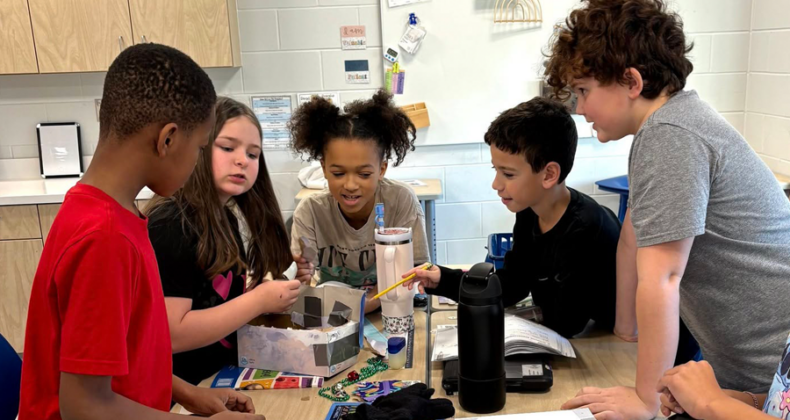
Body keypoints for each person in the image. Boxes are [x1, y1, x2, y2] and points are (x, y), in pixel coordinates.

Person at [546, 1, 790, 419]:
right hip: (755, 378)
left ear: (631, 81)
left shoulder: (670, 134)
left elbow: (663, 276)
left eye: (584, 91)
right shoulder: (672, 126)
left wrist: (644, 400)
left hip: (773, 371)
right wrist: (626, 330)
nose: (580, 108)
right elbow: (633, 237)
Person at [18, 44, 263, 420]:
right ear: (167, 140)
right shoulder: (105, 238)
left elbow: (127, 356)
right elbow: (84, 406)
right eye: (200, 148)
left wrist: (187, 393)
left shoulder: (103, 211)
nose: (198, 160)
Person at [403, 97, 621, 338]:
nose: (496, 184)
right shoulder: (529, 212)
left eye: (507, 174)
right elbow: (511, 285)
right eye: (496, 170)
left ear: (549, 174)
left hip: (610, 341)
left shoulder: (586, 228)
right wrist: (444, 279)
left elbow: (566, 322)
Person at [146, 97, 310, 385]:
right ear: (198, 146)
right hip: (181, 391)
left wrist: (272, 296)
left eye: (253, 154)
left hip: (223, 376)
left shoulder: (226, 219)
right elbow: (172, 334)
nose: (241, 160)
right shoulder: (170, 223)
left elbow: (218, 302)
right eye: (227, 147)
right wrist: (258, 300)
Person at [288, 90, 429, 313]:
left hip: (389, 310)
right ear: (323, 168)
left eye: (364, 174)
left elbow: (416, 271)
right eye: (338, 173)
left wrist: (364, 305)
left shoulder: (400, 200)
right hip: (331, 314)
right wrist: (297, 275)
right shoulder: (311, 211)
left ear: (381, 169)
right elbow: (301, 281)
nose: (351, 185)